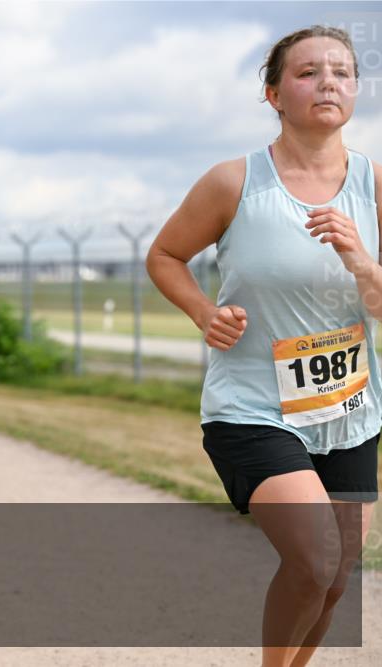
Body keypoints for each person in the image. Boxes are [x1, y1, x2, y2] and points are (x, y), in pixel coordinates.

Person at [146, 26, 380, 667]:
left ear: (356, 89)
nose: (327, 81)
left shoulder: (376, 188)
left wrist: (362, 260)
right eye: (308, 73)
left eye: (341, 70)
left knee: (332, 584)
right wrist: (202, 310)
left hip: (349, 412)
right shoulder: (232, 182)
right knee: (315, 558)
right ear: (274, 94)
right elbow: (164, 255)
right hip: (253, 409)